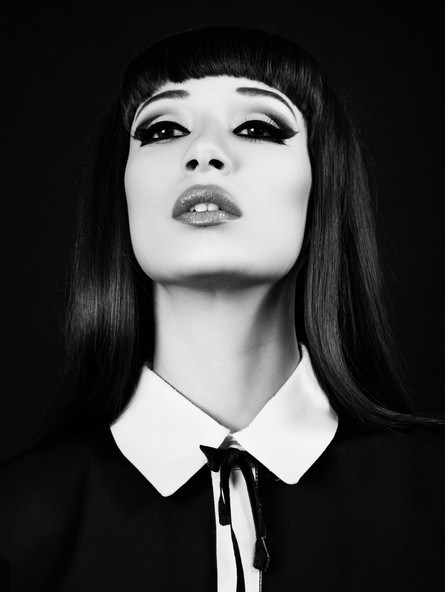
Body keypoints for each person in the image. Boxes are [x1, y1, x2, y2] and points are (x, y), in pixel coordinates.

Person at [1, 26, 444, 592]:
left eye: (257, 127)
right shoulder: (15, 527)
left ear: (321, 183)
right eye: (163, 129)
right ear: (122, 190)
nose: (203, 152)